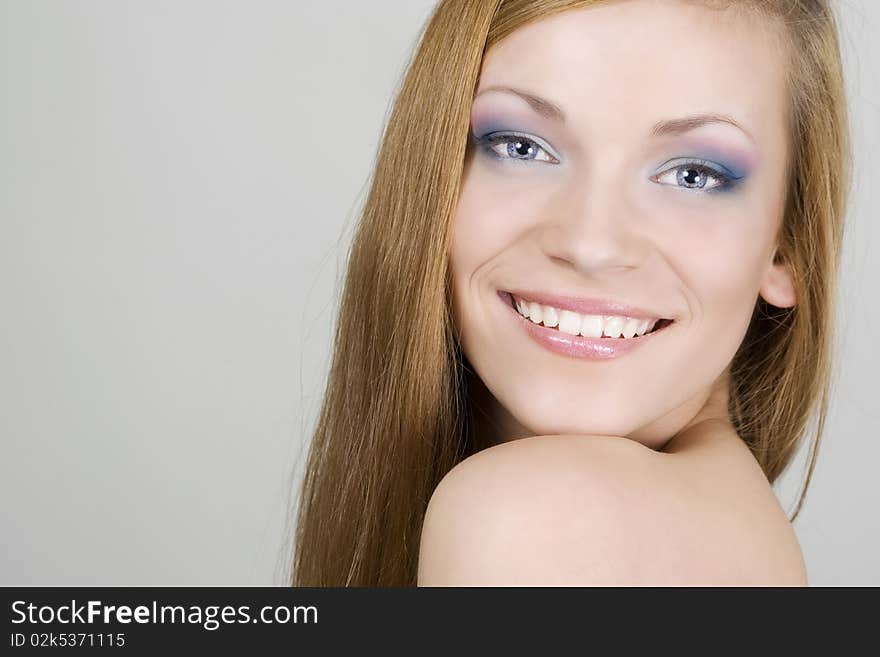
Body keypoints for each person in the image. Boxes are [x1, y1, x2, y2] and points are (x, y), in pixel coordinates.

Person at [290, 0, 851, 586]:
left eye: (693, 174)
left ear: (788, 249)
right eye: (521, 146)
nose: (591, 244)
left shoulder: (531, 520)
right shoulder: (733, 537)